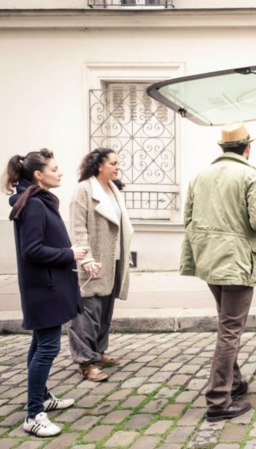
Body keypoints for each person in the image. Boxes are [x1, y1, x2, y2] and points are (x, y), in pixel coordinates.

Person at [181, 121, 256, 422]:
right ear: (248, 148)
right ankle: (218, 400)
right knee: (230, 330)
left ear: (222, 148)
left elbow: (188, 218)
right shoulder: (250, 174)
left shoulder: (200, 175)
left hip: (207, 259)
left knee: (226, 323)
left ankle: (234, 382)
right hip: (235, 261)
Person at [3, 149, 85, 437]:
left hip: (47, 285)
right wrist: (69, 253)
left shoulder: (36, 200)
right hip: (44, 288)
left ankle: (43, 398)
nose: (60, 172)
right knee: (47, 347)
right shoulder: (35, 204)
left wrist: (73, 255)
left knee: (40, 344)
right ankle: (33, 415)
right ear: (39, 175)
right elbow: (32, 250)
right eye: (55, 168)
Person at [68, 148, 133, 383]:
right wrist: (85, 258)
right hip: (93, 260)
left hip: (112, 258)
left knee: (105, 309)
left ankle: (100, 352)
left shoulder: (113, 189)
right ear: (99, 165)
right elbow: (78, 228)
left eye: (118, 163)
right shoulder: (84, 190)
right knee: (87, 313)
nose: (117, 167)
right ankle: (86, 362)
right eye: (113, 163)